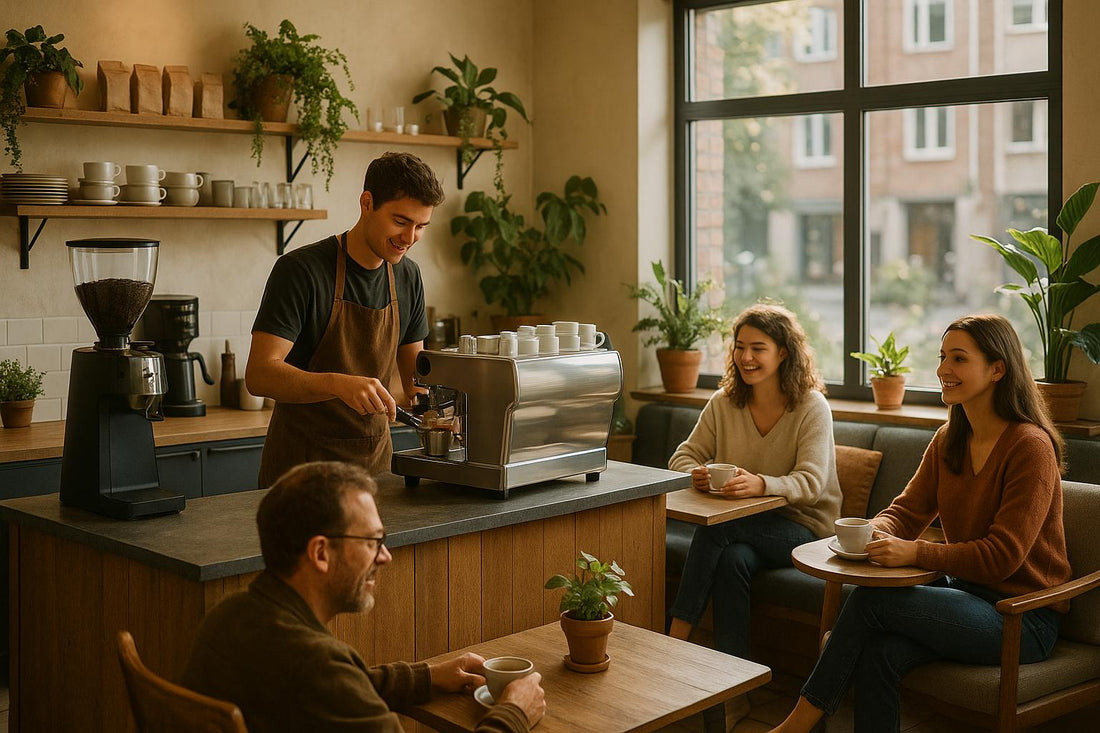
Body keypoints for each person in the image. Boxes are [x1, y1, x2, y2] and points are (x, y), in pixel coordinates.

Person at [771, 314, 1070, 733]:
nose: (944, 370)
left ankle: (797, 725)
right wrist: (879, 531)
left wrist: (915, 552)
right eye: (943, 356)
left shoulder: (1029, 447)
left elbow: (1002, 557)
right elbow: (907, 511)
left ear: (998, 369)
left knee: (869, 602)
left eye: (960, 359)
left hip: (1021, 618)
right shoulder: (949, 440)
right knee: (879, 652)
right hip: (964, 596)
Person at [181, 461, 546, 732]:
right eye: (372, 541)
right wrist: (514, 712)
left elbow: (338, 692)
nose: (384, 556)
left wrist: (426, 678)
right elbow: (328, 684)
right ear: (321, 553)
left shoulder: (229, 616)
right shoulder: (315, 664)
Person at [247, 152, 445, 487]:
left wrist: (448, 411)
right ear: (367, 203)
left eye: (421, 226)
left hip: (375, 476)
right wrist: (338, 384)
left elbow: (414, 385)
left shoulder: (408, 277)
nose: (410, 238)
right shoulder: (301, 271)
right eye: (400, 221)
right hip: (302, 475)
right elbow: (260, 375)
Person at [667, 303, 842, 666]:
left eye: (758, 348)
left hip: (805, 529)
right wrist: (696, 474)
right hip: (745, 530)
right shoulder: (724, 403)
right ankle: (735, 685)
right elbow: (681, 458)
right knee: (733, 560)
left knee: (715, 531)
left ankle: (672, 644)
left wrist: (761, 484)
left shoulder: (812, 406)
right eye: (739, 346)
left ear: (783, 352)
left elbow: (812, 483)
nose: (746, 356)